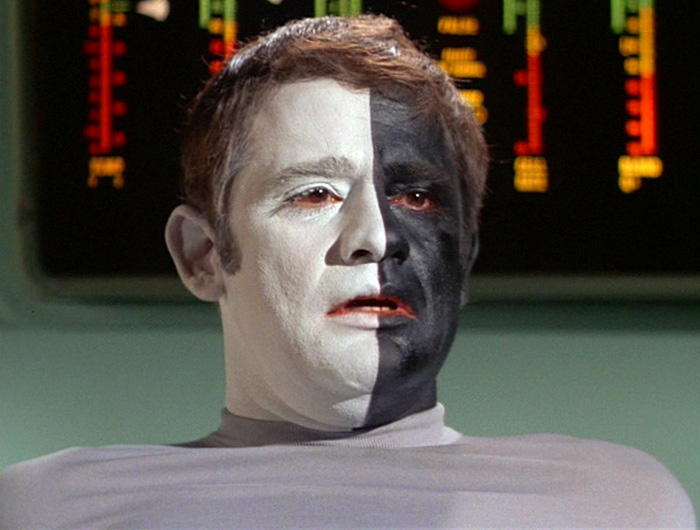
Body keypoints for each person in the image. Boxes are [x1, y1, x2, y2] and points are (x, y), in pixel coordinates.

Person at [0, 15, 695, 528]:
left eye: (416, 197)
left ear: (464, 254)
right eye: (315, 194)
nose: (375, 238)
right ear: (203, 255)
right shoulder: (49, 510)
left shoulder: (618, 501)